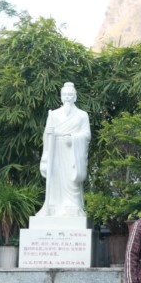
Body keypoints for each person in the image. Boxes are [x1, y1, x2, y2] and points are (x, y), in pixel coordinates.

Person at [37, 82, 91, 216]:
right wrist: (48, 133)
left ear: (75, 97)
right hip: (56, 150)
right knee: (55, 177)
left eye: (70, 94)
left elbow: (87, 135)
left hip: (72, 152)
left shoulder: (82, 115)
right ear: (61, 97)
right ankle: (53, 205)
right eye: (65, 94)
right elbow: (46, 136)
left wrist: (73, 138)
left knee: (71, 179)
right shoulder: (53, 115)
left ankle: (73, 205)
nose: (67, 97)